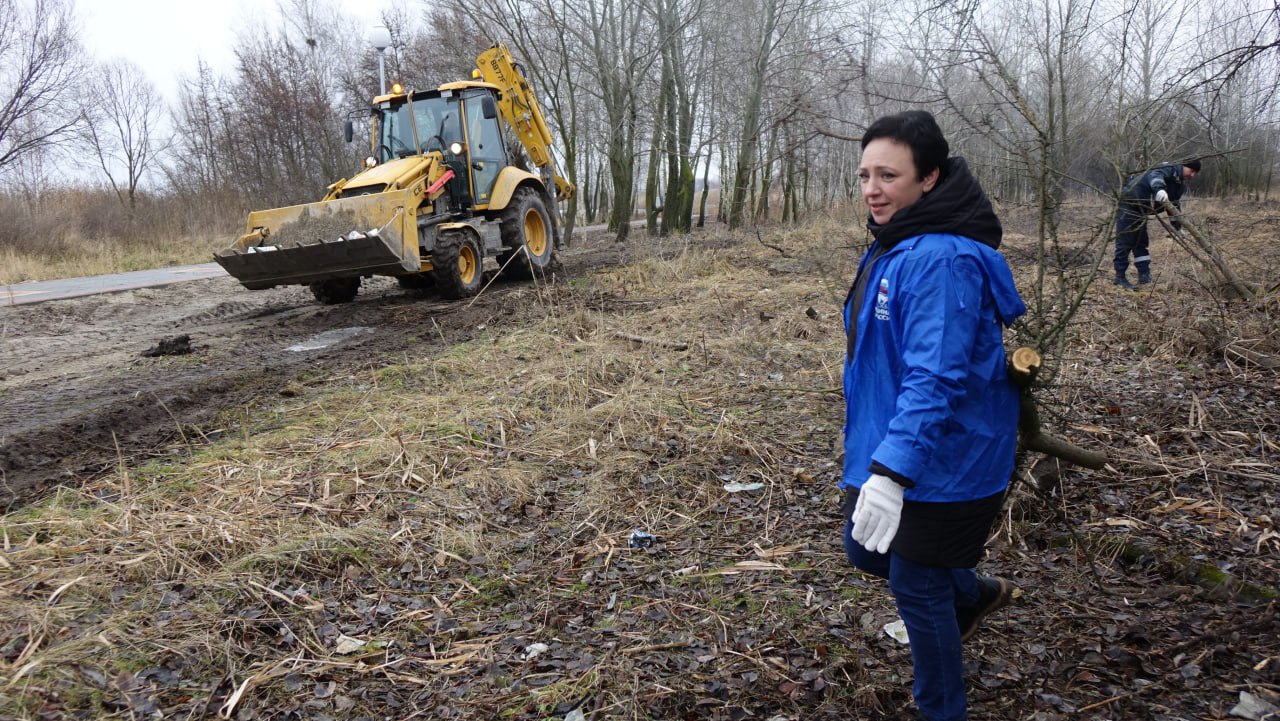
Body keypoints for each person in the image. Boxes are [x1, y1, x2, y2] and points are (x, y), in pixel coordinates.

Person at [841, 110, 1026, 721]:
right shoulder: (898, 245)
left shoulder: (941, 259)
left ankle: (940, 709)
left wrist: (893, 474)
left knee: (917, 586)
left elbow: (937, 377)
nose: (872, 189)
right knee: (867, 553)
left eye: (888, 175)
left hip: (947, 456)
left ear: (930, 178)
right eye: (865, 174)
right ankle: (973, 595)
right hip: (894, 441)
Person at [1113, 159, 1201, 289]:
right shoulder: (1168, 168)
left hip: (1143, 211)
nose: (1192, 175)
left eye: (1195, 173)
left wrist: (1177, 227)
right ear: (1183, 166)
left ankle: (1144, 275)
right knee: (1125, 241)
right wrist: (1159, 189)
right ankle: (1119, 277)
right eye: (1191, 171)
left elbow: (1173, 205)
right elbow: (1155, 176)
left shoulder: (1179, 185)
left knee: (1141, 242)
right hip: (1130, 204)